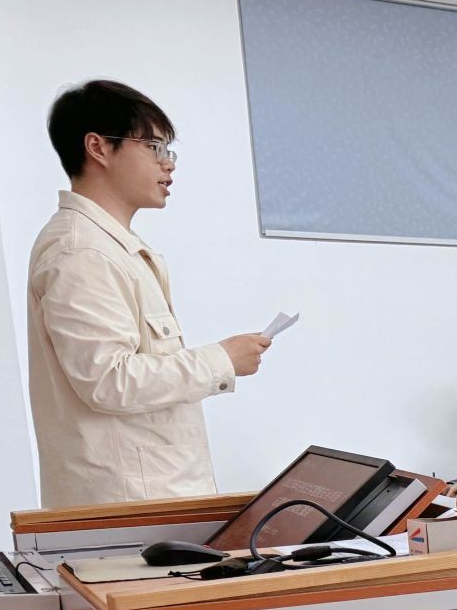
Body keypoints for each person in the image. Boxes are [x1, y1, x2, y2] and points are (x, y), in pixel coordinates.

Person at [27, 80, 273, 507]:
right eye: (154, 147)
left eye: (168, 151)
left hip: (147, 498)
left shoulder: (110, 246)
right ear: (98, 148)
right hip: (126, 506)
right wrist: (222, 359)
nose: (168, 164)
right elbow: (109, 380)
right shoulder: (82, 252)